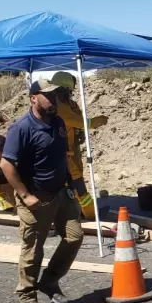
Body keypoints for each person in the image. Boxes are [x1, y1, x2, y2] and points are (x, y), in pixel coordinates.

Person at [0, 77, 84, 303]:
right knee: (33, 250)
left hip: (61, 193)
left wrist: (71, 185)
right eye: (48, 95)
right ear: (33, 98)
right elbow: (6, 164)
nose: (53, 99)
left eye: (55, 95)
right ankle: (26, 296)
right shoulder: (21, 128)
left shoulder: (57, 122)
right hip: (35, 198)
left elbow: (61, 157)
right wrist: (25, 195)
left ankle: (49, 280)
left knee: (75, 237)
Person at [50, 72, 108, 221]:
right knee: (77, 183)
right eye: (68, 90)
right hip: (60, 154)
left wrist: (79, 133)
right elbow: (78, 121)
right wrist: (96, 122)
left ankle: (79, 211)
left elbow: (77, 122)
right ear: (60, 88)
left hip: (71, 151)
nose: (71, 93)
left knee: (74, 183)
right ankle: (89, 213)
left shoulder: (69, 104)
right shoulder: (58, 106)